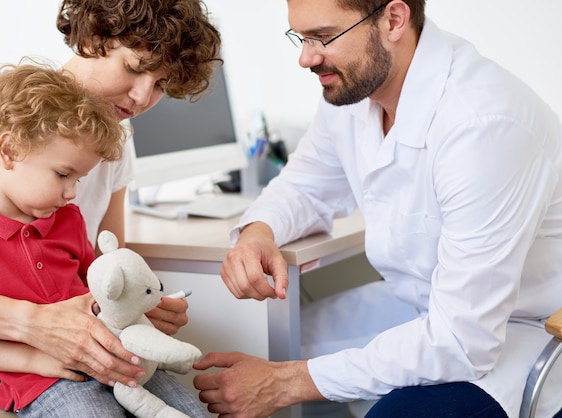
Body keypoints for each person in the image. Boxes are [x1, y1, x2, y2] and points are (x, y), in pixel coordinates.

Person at [192, 0, 562, 417]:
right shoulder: (354, 90)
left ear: (393, 20)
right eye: (301, 37)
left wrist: (284, 383)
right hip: (419, 308)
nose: (306, 57)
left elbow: (461, 342)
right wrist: (259, 229)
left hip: (522, 333)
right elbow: (306, 184)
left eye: (323, 37)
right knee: (262, 343)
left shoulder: (482, 125)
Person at [0, 0, 221, 416]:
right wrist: (39, 327)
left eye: (161, 85)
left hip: (85, 363)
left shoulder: (116, 148)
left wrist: (137, 307)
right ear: (93, 39)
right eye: (134, 67)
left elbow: (106, 271)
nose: (143, 96)